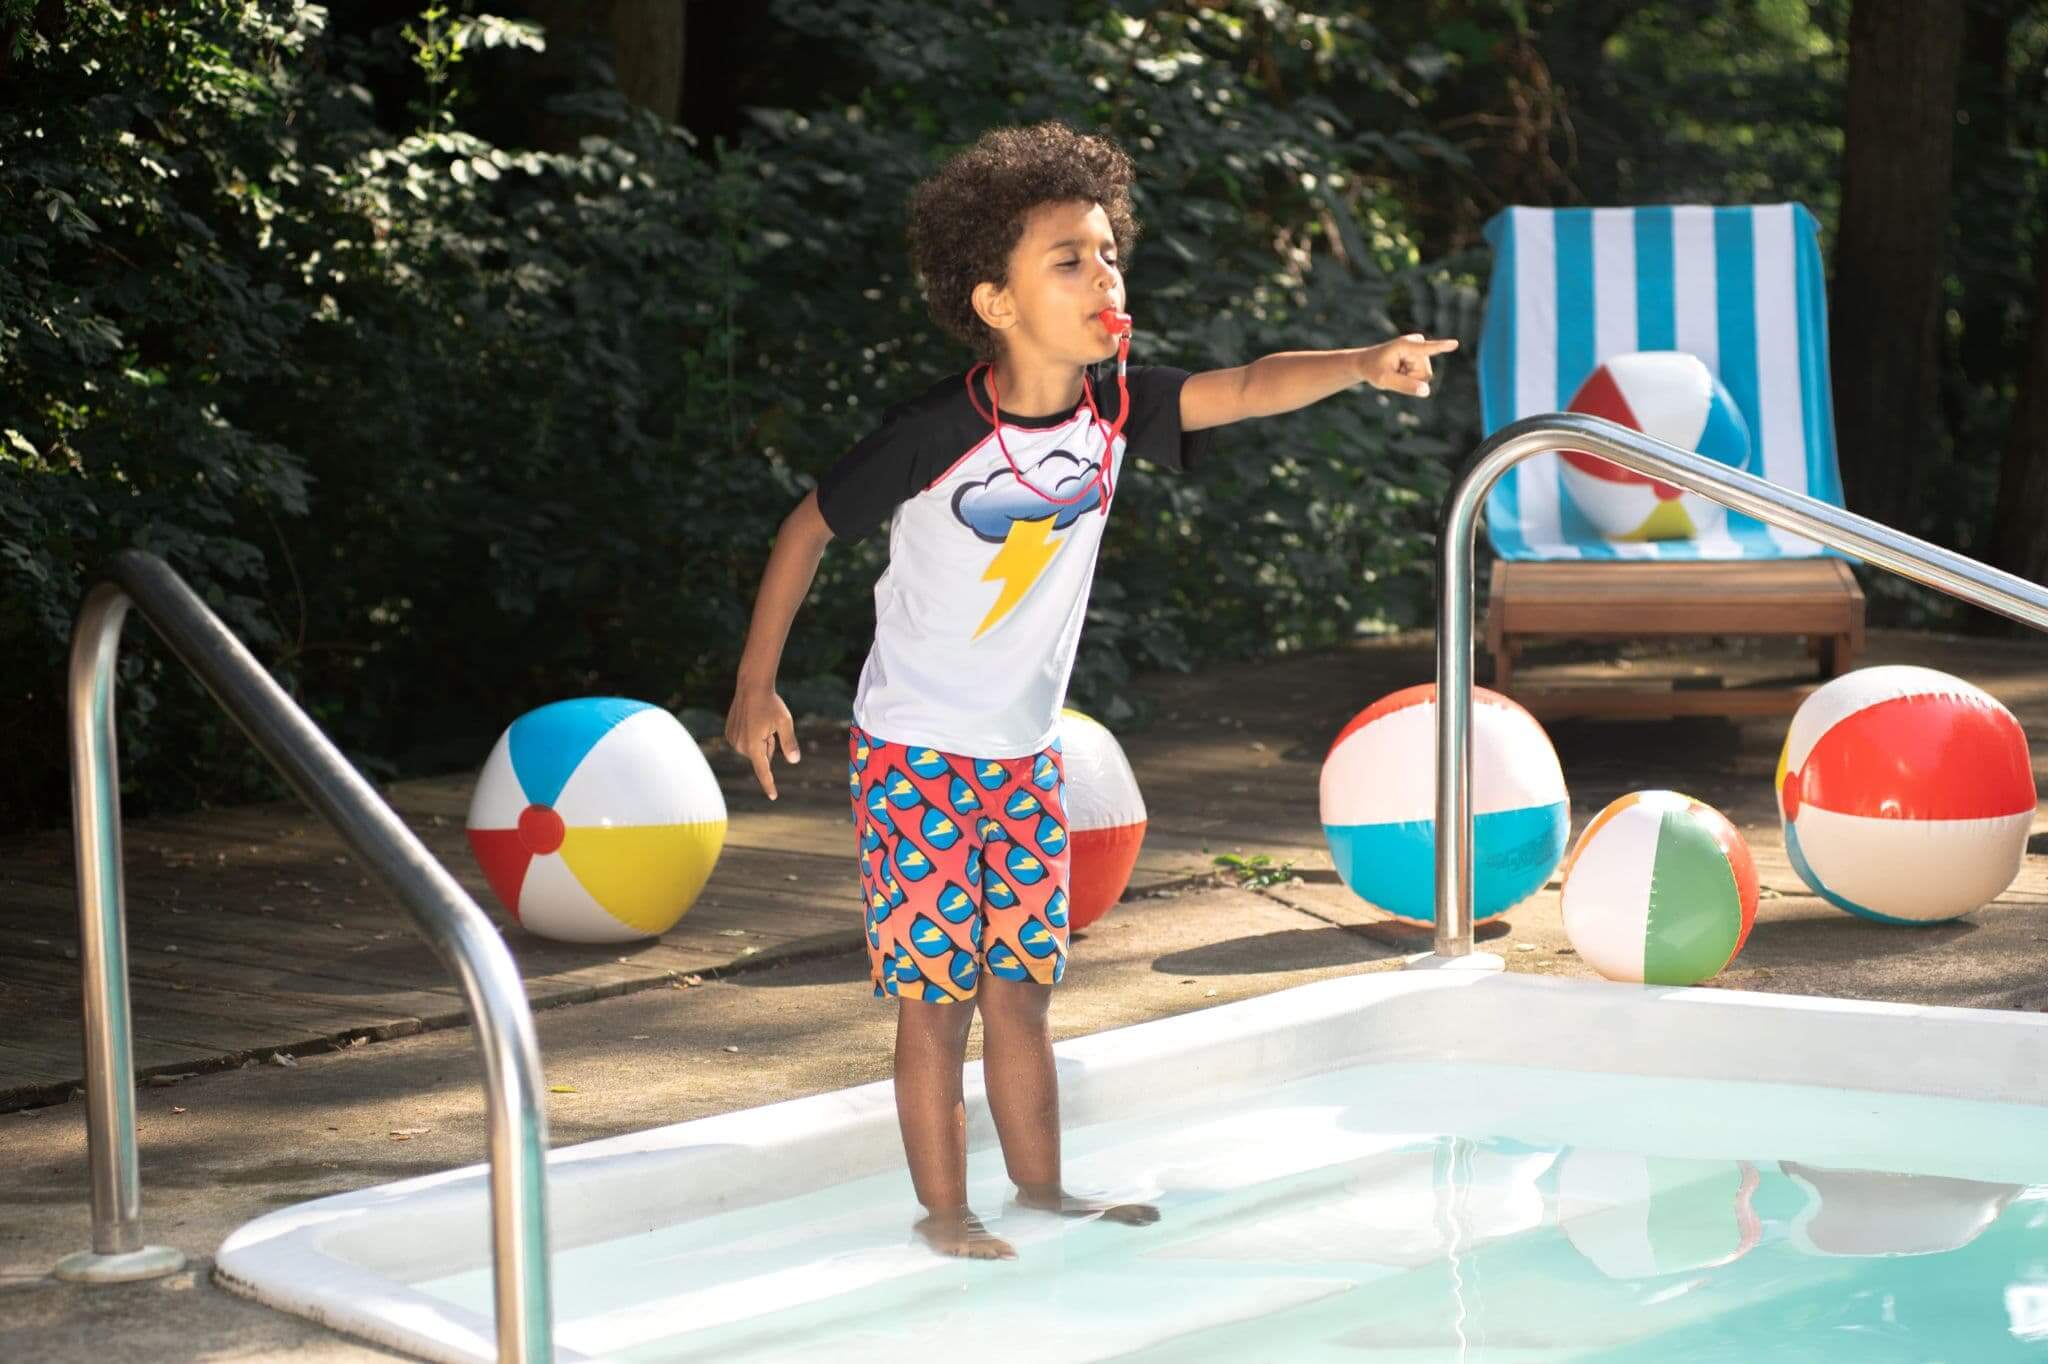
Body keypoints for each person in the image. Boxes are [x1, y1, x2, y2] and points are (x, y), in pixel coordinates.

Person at [726, 120, 1454, 1261]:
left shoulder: (1113, 408)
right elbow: (806, 529)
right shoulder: (934, 433)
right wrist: (755, 688)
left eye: (1107, 251)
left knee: (1021, 990)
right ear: (996, 302)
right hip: (914, 753)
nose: (1102, 273)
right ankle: (945, 1214)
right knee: (938, 1001)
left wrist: (1361, 362)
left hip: (1021, 756)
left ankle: (1038, 1191)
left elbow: (1252, 383)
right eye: (1066, 258)